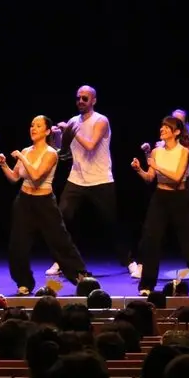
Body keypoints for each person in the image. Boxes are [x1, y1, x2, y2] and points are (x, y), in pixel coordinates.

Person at [46, 85, 139, 278]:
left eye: (85, 98)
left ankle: (130, 261)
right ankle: (62, 260)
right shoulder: (73, 121)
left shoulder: (101, 120)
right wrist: (57, 135)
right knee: (62, 219)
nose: (80, 101)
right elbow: (62, 152)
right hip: (77, 179)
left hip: (100, 179)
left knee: (111, 223)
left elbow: (90, 145)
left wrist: (71, 130)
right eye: (78, 98)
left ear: (93, 101)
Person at [0, 115, 88, 295]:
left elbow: (37, 176)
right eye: (32, 125)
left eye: (38, 126)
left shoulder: (51, 153)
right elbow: (15, 178)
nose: (33, 128)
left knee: (61, 243)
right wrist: (3, 165)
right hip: (24, 201)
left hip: (45, 203)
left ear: (47, 131)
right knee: (18, 245)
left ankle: (83, 280)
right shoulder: (26, 150)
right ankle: (24, 282)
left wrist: (22, 158)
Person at [131, 116, 189, 296]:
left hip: (180, 197)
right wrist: (140, 169)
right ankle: (146, 285)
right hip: (160, 197)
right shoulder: (156, 151)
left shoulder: (183, 151)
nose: (162, 129)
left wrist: (156, 166)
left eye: (166, 127)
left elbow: (178, 176)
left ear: (176, 132)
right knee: (151, 239)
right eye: (161, 126)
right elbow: (150, 178)